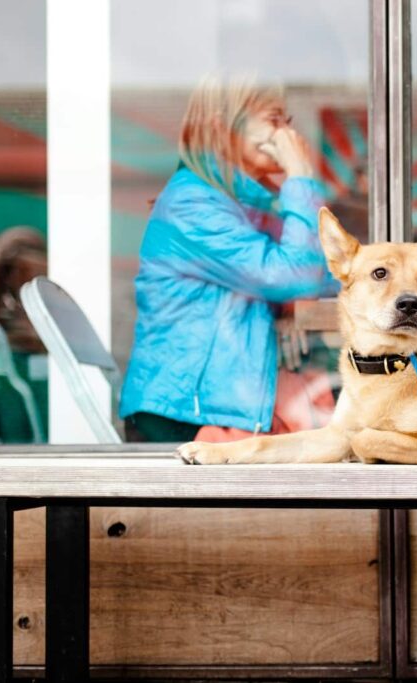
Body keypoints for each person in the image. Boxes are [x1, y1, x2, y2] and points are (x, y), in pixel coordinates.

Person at [119, 75, 338, 443]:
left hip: (221, 408)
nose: (287, 135)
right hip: (184, 416)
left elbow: (320, 275)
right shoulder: (194, 204)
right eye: (274, 119)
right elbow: (292, 276)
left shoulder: (245, 204)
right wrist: (300, 178)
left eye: (288, 122)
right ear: (223, 126)